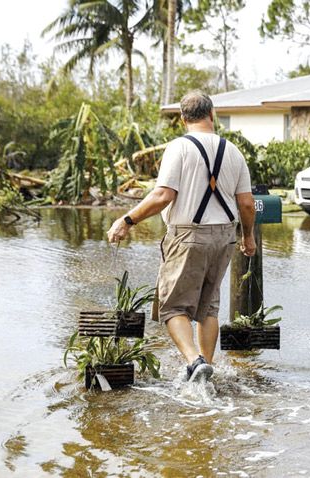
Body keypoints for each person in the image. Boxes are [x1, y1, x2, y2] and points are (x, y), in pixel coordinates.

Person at [106, 91, 256, 382]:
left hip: (188, 235)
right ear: (212, 115)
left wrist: (127, 220)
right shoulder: (233, 151)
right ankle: (205, 370)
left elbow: (163, 195)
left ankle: (194, 361)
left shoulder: (179, 148)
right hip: (225, 236)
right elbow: (247, 204)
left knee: (173, 306)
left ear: (182, 119)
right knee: (208, 305)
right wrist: (247, 237)